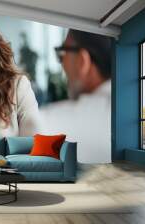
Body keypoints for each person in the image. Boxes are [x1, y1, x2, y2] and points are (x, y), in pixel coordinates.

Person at [37, 29, 112, 163]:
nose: (62, 63)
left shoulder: (45, 125)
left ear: (83, 61)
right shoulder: (139, 114)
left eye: (63, 53)